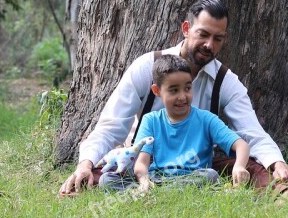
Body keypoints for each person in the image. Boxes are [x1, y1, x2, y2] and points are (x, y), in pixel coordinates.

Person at [59, 0, 288, 196]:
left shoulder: (225, 80)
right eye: (203, 34)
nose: (209, 45)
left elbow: (250, 132)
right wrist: (85, 163)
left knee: (255, 168)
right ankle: (82, 188)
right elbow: (111, 127)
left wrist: (276, 162)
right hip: (145, 161)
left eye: (218, 38)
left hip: (197, 165)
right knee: (100, 176)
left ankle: (284, 193)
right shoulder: (147, 67)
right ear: (186, 29)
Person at [99, 56, 251, 192]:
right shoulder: (150, 120)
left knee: (209, 176)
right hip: (156, 180)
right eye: (174, 90)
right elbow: (141, 163)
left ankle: (155, 196)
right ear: (157, 90)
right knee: (106, 180)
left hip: (193, 178)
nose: (182, 97)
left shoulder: (207, 119)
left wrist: (239, 166)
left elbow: (241, 145)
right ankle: (156, 192)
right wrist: (144, 181)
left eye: (187, 88)